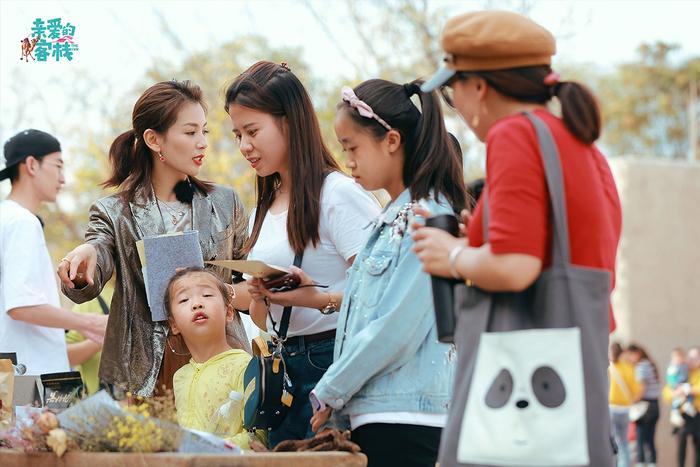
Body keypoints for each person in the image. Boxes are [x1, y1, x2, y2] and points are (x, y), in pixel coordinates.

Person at [414, 10, 622, 467]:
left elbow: (516, 266)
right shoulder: (579, 143)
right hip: (572, 364)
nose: (459, 109)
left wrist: (452, 255)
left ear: (479, 87)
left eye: (452, 92)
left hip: (520, 370)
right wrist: (479, 244)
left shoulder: (515, 135)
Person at [297, 78, 468, 467]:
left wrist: (330, 390)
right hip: (381, 414)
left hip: (409, 418)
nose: (349, 161)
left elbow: (397, 326)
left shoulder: (428, 216)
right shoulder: (391, 218)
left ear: (391, 141)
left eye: (352, 147)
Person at [57, 80, 249, 396]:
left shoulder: (225, 203)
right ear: (153, 139)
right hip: (146, 376)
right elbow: (98, 253)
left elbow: (253, 289)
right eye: (190, 133)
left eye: (205, 132)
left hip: (224, 368)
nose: (202, 142)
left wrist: (214, 293)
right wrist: (86, 256)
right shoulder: (115, 212)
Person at [224, 61, 381, 447]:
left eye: (253, 131)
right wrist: (252, 295)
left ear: (290, 122)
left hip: (333, 362)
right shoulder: (268, 202)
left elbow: (386, 292)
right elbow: (265, 317)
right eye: (237, 135)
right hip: (283, 370)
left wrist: (322, 299)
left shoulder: (337, 194)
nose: (244, 146)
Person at [0, 129, 107, 375]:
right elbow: (21, 306)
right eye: (58, 166)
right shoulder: (21, 222)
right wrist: (92, 323)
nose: (62, 179)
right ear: (31, 165)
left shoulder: (7, 217)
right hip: (29, 381)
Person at [166, 267, 264, 449]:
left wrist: (212, 449)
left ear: (228, 313)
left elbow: (258, 435)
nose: (196, 304)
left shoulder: (243, 365)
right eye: (184, 299)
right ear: (174, 325)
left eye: (207, 295)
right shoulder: (180, 376)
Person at [65, 285, 114, 394]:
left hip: (154, 402)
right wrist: (102, 340)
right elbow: (65, 356)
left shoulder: (150, 298)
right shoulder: (91, 300)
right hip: (103, 403)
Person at [664, 346, 700, 467]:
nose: (690, 360)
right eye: (689, 357)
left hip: (697, 414)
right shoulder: (680, 371)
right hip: (681, 414)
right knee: (681, 446)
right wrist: (675, 393)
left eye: (695, 357)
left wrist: (688, 390)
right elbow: (667, 392)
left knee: (698, 447)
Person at [628, 343, 661, 466]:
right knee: (650, 440)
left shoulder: (641, 366)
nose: (630, 359)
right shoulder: (650, 364)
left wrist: (633, 400)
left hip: (644, 407)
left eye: (630, 355)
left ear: (637, 354)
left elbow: (642, 388)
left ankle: (641, 463)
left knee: (641, 439)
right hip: (655, 405)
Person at [609, 342, 641, 467]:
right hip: (625, 410)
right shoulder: (628, 368)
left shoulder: (608, 368)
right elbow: (636, 390)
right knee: (624, 442)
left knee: (612, 442)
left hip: (611, 408)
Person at [667, 347, 696, 430]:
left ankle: (688, 404)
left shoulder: (685, 366)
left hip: (684, 385)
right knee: (677, 400)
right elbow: (670, 381)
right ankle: (676, 412)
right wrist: (675, 387)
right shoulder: (673, 368)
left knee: (687, 392)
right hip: (677, 386)